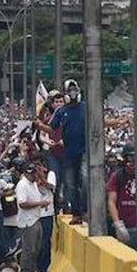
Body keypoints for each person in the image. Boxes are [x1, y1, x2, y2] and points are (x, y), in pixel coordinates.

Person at [35, 79, 86, 220]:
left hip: (84, 152)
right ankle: (70, 210)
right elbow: (49, 129)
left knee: (84, 180)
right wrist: (39, 126)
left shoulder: (86, 108)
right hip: (65, 153)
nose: (73, 94)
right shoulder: (60, 112)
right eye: (70, 91)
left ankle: (82, 210)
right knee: (69, 183)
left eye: (75, 90)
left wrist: (117, 122)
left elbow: (98, 121)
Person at [14, 161, 50, 272]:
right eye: (32, 173)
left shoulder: (33, 184)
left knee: (35, 249)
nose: (34, 175)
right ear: (25, 173)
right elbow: (22, 204)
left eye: (34, 172)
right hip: (28, 221)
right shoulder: (22, 185)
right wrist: (40, 204)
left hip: (36, 218)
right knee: (29, 250)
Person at [106, 143, 137, 250]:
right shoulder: (118, 176)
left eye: (133, 160)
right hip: (125, 226)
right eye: (128, 160)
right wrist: (118, 224)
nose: (130, 164)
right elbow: (111, 201)